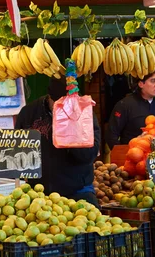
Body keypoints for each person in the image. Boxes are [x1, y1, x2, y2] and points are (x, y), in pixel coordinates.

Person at [15, 77, 101, 207]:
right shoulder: (29, 113)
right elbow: (17, 153)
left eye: (69, 103)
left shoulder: (83, 111)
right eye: (60, 104)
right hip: (39, 194)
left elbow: (89, 155)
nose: (65, 108)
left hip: (78, 191)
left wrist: (72, 129)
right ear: (50, 98)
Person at [106, 71, 155, 149]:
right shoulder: (125, 105)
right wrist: (122, 154)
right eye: (153, 81)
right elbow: (111, 135)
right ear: (141, 84)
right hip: (133, 155)